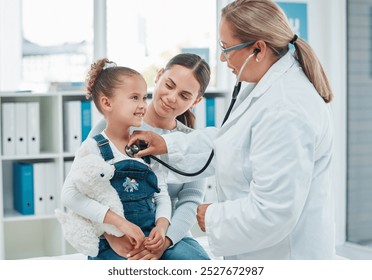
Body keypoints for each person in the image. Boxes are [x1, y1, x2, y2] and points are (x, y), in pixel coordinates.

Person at [128, 0, 335, 260]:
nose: (222, 58)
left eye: (227, 48)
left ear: (258, 49)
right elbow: (230, 143)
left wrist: (212, 216)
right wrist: (167, 144)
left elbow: (274, 211)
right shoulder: (267, 89)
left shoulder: (286, 108)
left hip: (286, 256)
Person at [88, 53, 211, 260]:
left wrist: (166, 241)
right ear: (159, 76)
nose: (172, 98)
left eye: (184, 95)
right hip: (117, 233)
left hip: (169, 236)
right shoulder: (112, 125)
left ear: (196, 101)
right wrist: (111, 234)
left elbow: (190, 200)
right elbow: (87, 186)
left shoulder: (193, 143)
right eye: (169, 85)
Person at [61, 58, 172, 260]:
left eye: (144, 98)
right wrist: (119, 224)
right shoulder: (92, 147)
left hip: (148, 236)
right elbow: (69, 196)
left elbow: (162, 193)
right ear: (106, 103)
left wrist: (162, 227)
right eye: (134, 98)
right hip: (111, 241)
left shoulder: (147, 145)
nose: (142, 106)